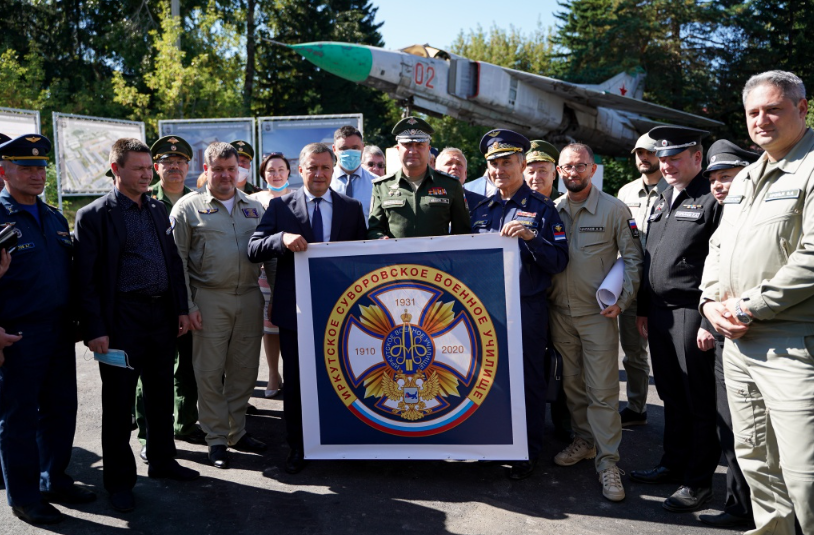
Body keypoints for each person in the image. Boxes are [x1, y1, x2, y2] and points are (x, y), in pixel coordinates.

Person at [700, 70, 814, 535]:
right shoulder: (746, 176)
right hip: (737, 345)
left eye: (773, 109)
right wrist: (709, 303)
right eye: (753, 112)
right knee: (756, 460)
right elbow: (719, 248)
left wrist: (749, 307)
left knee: (804, 473)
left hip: (791, 344)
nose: (761, 120)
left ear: (802, 110)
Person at [74, 138, 199, 514]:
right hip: (120, 321)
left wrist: (180, 309)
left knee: (160, 396)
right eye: (140, 169)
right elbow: (86, 280)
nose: (148, 175)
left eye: (149, 168)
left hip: (160, 318)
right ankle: (119, 481)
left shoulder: (159, 210)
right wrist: (95, 329)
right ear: (117, 169)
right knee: (118, 405)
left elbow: (173, 264)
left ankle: (163, 460)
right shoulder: (94, 215)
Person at [248, 143, 366, 474]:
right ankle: (298, 448)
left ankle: (341, 441)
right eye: (312, 168)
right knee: (298, 383)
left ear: (334, 171)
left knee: (342, 378)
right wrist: (280, 239)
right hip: (295, 312)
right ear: (300, 171)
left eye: (325, 168)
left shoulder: (351, 208)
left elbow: (362, 257)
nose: (318, 174)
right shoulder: (280, 207)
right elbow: (254, 248)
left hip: (342, 313)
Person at [0, 134, 94, 524]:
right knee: (18, 419)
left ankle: (52, 478)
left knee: (60, 411)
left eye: (41, 167)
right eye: (27, 167)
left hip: (57, 332)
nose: (37, 174)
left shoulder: (54, 216)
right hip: (17, 334)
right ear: (3, 170)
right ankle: (23, 498)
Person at [630, 125, 723, 514]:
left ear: (697, 158)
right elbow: (651, 256)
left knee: (698, 399)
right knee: (670, 394)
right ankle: (673, 463)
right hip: (660, 313)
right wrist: (642, 308)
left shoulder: (711, 197)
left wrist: (709, 320)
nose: (666, 165)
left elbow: (721, 262)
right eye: (662, 158)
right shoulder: (663, 197)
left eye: (675, 158)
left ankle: (698, 482)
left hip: (692, 311)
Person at [469, 130, 569, 479]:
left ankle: (527, 451)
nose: (499, 170)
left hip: (526, 309)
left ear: (522, 164)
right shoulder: (481, 210)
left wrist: (531, 238)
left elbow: (559, 261)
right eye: (493, 164)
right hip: (486, 311)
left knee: (528, 379)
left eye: (507, 162)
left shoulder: (541, 210)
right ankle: (493, 442)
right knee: (488, 377)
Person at [547, 142, 643, 502]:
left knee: (602, 391)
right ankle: (585, 441)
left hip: (597, 315)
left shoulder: (614, 209)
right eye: (567, 167)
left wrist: (623, 300)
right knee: (572, 386)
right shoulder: (552, 210)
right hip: (560, 314)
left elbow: (633, 257)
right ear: (559, 171)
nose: (574, 172)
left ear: (592, 169)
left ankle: (608, 464)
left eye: (581, 166)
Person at [171, 142, 269, 470]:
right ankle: (215, 438)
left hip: (249, 297)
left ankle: (235, 431)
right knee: (209, 371)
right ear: (206, 170)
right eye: (219, 169)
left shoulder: (254, 208)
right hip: (208, 298)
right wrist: (187, 305)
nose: (226, 175)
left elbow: (269, 256)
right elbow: (178, 262)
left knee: (244, 370)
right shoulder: (187, 208)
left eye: (232, 169)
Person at [694, 139, 758, 529]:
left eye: (727, 177)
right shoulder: (726, 216)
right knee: (734, 427)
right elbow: (713, 272)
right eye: (715, 179)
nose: (719, 185)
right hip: (723, 331)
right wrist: (707, 312)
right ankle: (741, 506)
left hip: (763, 330)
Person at [134, 135, 203, 465]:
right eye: (166, 162)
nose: (174, 167)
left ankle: (186, 422)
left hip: (189, 299)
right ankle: (147, 433)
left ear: (188, 167)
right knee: (150, 374)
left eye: (180, 162)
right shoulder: (143, 202)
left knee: (187, 365)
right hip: (153, 302)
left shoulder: (200, 202)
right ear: (156, 168)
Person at [615, 133, 667, 427]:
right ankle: (637, 407)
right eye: (638, 153)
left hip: (664, 285)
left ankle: (679, 410)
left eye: (648, 153)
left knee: (668, 354)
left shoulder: (674, 188)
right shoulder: (625, 193)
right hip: (633, 284)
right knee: (633, 353)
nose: (643, 158)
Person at [367, 117, 470, 238]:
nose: (413, 150)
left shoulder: (450, 184)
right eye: (407, 144)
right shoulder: (382, 186)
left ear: (428, 149)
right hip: (396, 256)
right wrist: (380, 239)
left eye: (419, 144)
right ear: (398, 149)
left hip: (437, 256)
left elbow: (463, 232)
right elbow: (374, 230)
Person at [249, 152, 292, 398]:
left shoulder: (298, 197)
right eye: (270, 170)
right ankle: (273, 375)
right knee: (270, 327)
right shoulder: (253, 200)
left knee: (287, 324)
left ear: (289, 172)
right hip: (263, 273)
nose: (276, 175)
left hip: (290, 270)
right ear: (263, 174)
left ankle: (291, 374)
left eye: (280, 170)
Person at [330, 125, 375, 222]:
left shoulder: (376, 183)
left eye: (355, 148)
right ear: (334, 149)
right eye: (344, 148)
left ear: (363, 147)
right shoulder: (324, 182)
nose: (350, 153)